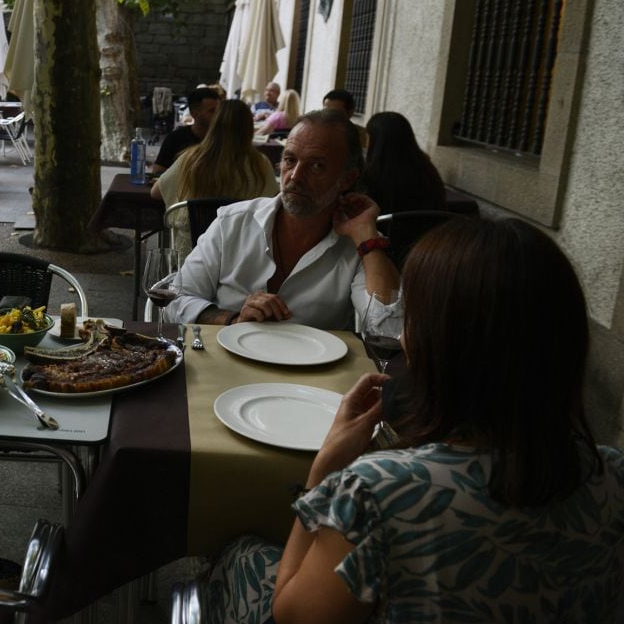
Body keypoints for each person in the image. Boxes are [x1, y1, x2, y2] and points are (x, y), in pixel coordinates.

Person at [202, 217, 624, 623]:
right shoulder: (613, 475)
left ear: (448, 346)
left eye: (415, 319)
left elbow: (291, 615)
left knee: (237, 551)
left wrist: (324, 471)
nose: (403, 337)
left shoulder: (380, 492)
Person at [167, 108, 400, 330]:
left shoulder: (361, 245)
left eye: (317, 166)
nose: (295, 176)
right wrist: (232, 320)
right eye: (290, 160)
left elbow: (389, 331)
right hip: (226, 364)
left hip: (313, 370)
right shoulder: (233, 222)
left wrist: (368, 239)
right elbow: (175, 300)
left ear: (347, 178)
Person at [150, 100, 278, 258]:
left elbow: (156, 193)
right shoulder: (260, 165)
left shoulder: (190, 158)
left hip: (191, 256)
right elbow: (272, 203)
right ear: (249, 128)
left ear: (214, 124)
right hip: (238, 257)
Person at [363, 111, 446, 213]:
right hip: (429, 228)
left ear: (374, 140)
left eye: (367, 136)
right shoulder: (427, 170)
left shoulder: (371, 176)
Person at [152, 87, 222, 174]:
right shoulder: (175, 139)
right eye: (212, 111)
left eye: (219, 111)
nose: (218, 115)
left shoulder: (224, 139)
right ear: (194, 113)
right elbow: (158, 170)